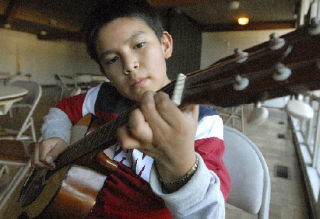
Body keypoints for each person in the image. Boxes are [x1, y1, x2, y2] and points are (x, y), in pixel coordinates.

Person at [33, 0, 231, 218]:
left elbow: (210, 213)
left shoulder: (200, 119)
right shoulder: (103, 96)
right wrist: (55, 135)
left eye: (138, 45)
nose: (129, 65)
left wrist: (180, 167)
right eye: (113, 59)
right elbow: (62, 109)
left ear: (165, 44)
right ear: (104, 71)